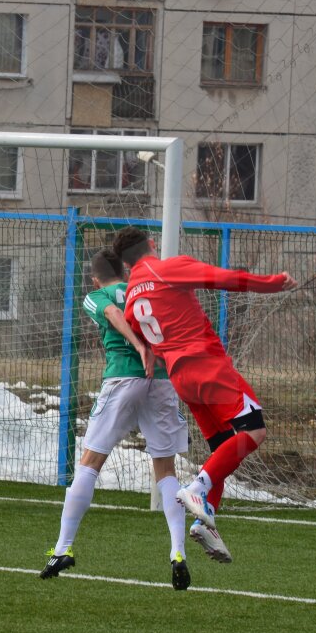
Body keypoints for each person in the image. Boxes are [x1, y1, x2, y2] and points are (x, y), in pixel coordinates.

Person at [116, 227, 297, 563]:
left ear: (126, 266)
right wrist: (273, 283)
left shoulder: (130, 299)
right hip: (206, 365)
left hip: (181, 378)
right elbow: (225, 278)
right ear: (152, 245)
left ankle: (205, 522)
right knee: (254, 431)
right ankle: (197, 488)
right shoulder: (166, 267)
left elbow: (147, 337)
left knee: (221, 449)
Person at [39, 247, 193, 590]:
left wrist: (137, 344)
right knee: (165, 471)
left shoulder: (96, 295)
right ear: (125, 272)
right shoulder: (144, 290)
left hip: (124, 378)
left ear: (95, 278)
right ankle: (178, 552)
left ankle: (63, 548)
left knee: (89, 463)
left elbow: (110, 312)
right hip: (162, 380)